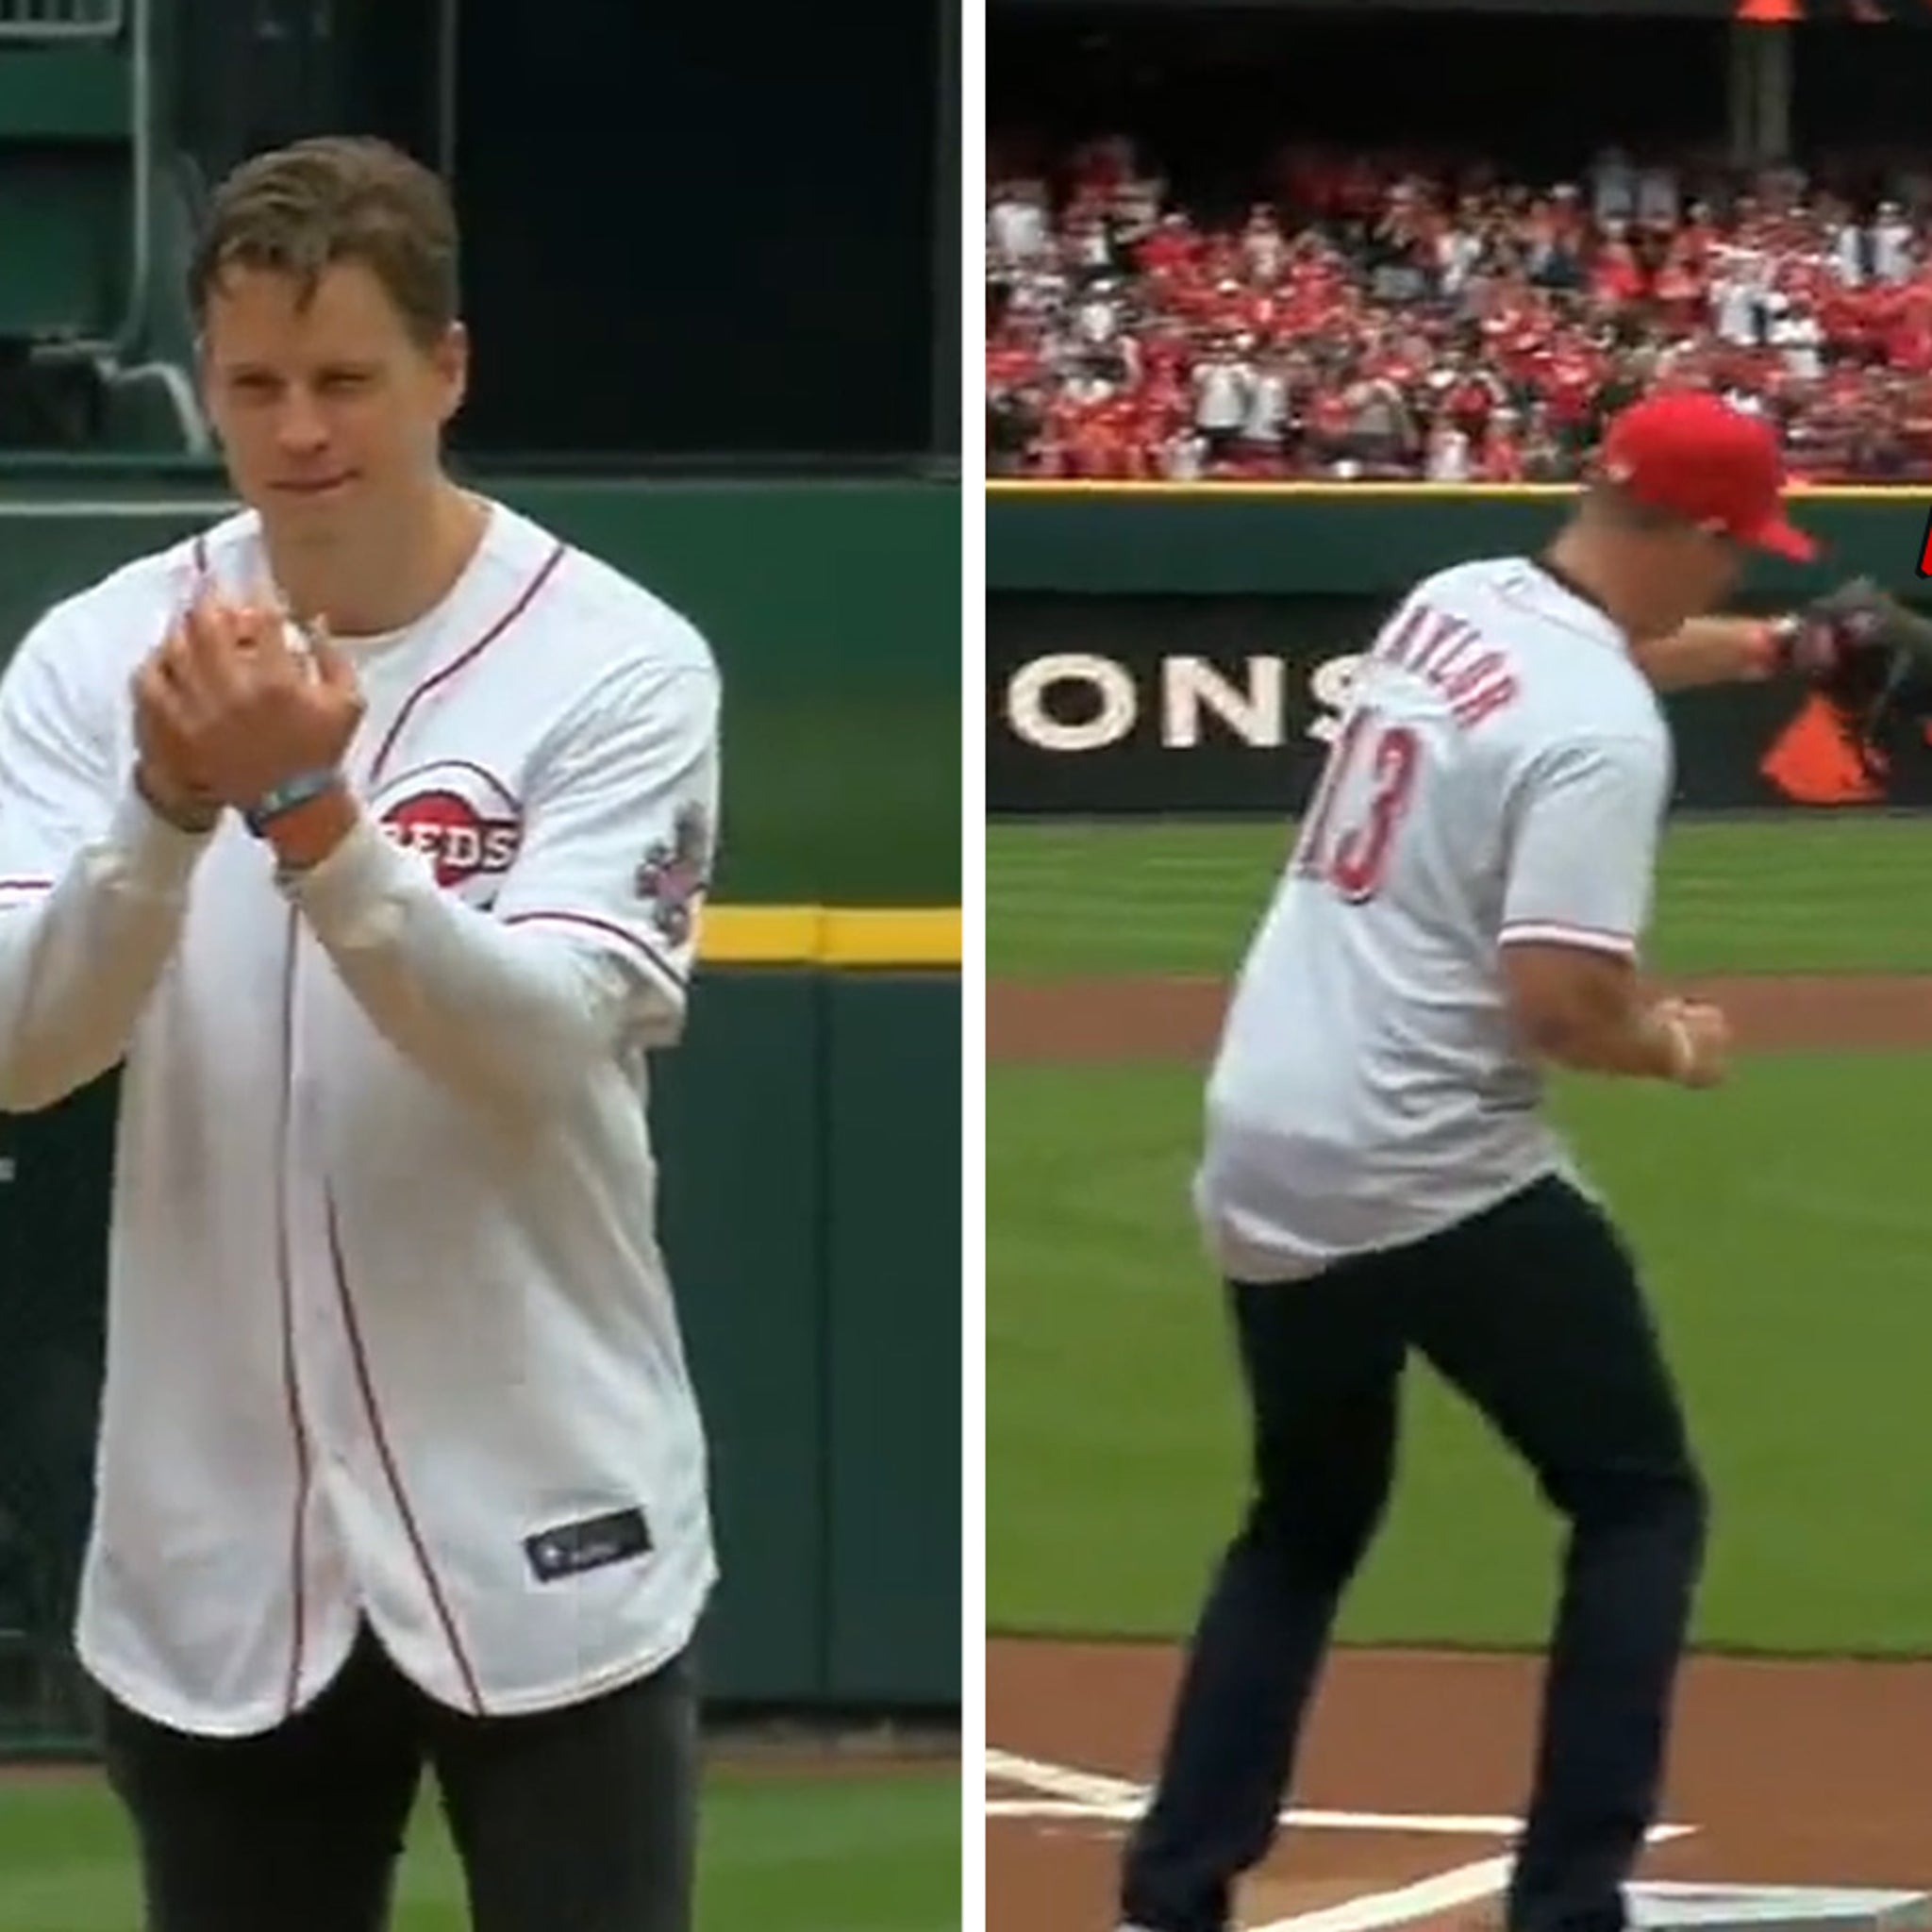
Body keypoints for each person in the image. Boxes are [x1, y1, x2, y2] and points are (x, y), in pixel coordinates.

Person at [0, 134, 721, 1932]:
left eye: (346, 379)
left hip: (547, 1503)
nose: (300, 430)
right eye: (255, 384)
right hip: (218, 1534)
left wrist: (315, 820)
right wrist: (166, 812)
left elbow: (544, 1048)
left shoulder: (620, 662)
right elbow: (19, 1050)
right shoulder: (105, 661)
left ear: (446, 369)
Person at [1113, 391, 1821, 1932]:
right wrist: (1679, 1044)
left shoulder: (1459, 601)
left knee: (1302, 1521)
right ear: (1698, 533)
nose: (1738, 581)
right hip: (1428, 1156)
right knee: (1638, 1500)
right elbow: (1562, 1003)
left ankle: (1172, 1891)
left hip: (1265, 1136)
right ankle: (1570, 1903)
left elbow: (1588, 673)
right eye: (1739, 561)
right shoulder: (1600, 736)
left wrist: (1780, 657)